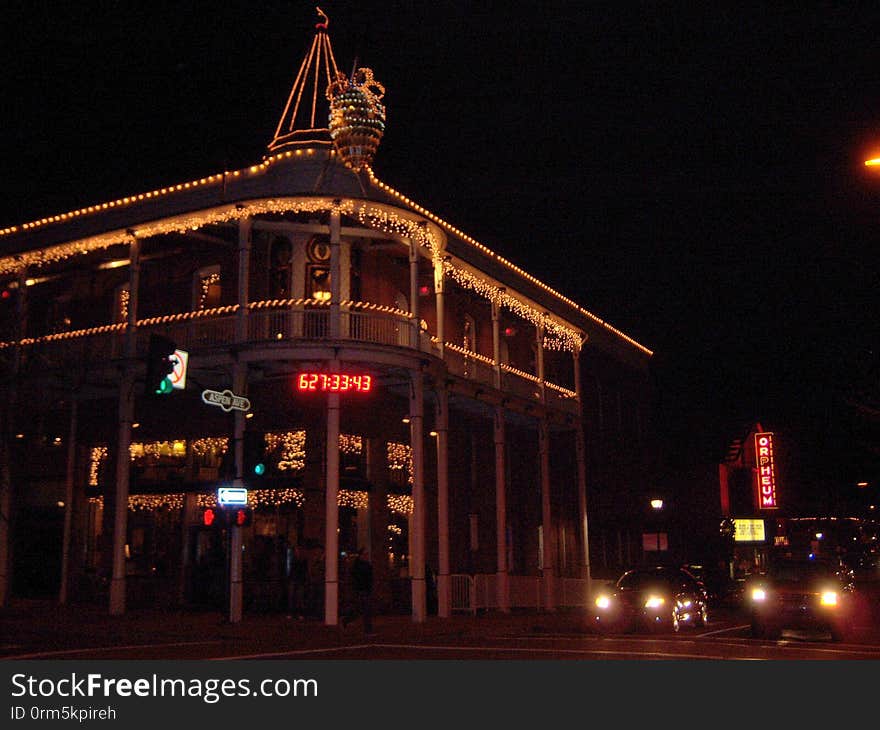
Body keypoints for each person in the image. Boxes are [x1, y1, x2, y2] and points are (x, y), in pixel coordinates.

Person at [343, 548, 374, 635]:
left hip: (365, 590)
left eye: (367, 554)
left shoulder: (366, 565)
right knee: (361, 610)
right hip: (360, 590)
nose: (366, 556)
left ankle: (368, 629)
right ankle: (347, 620)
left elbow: (369, 578)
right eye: (364, 554)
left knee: (365, 610)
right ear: (360, 555)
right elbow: (356, 578)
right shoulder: (357, 566)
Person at [286, 544, 309, 620]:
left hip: (299, 580)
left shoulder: (300, 560)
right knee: (293, 597)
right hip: (295, 579)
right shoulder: (295, 560)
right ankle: (293, 612)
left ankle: (299, 613)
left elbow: (304, 571)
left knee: (299, 597)